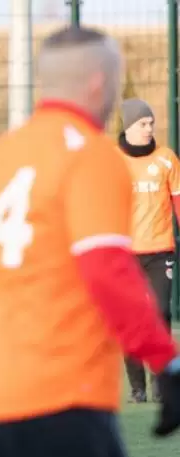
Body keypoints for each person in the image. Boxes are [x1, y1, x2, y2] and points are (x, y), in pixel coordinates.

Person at [0, 25, 180, 457]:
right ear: (98, 83)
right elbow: (107, 271)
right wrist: (167, 361)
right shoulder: (91, 155)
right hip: (59, 398)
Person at [117, 98, 180, 403]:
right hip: (125, 254)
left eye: (151, 123)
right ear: (128, 126)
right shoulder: (112, 161)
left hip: (159, 251)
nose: (149, 128)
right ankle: (137, 388)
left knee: (160, 314)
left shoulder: (167, 159)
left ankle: (160, 382)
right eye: (142, 123)